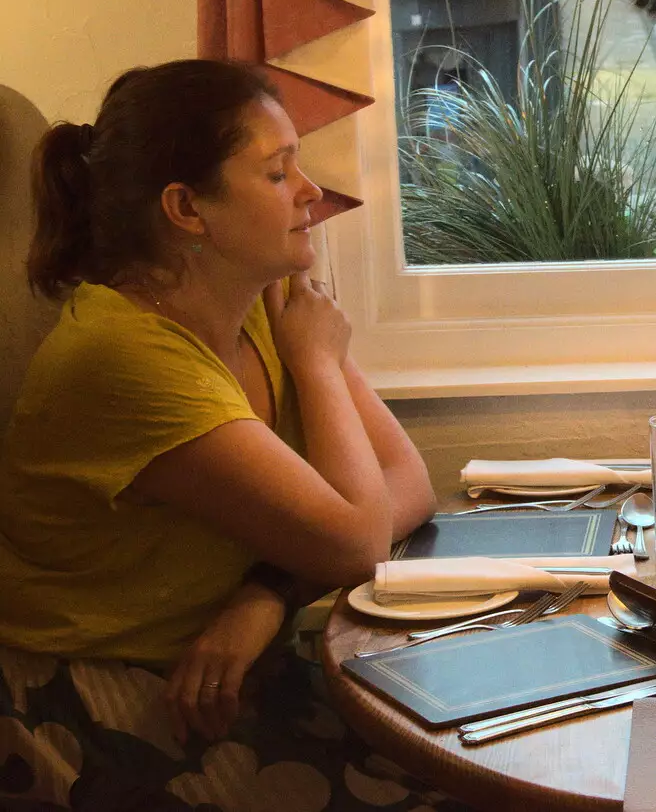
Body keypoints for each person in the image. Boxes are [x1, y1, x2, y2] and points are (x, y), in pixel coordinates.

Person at [0, 61, 462, 811]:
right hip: (95, 690)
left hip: (229, 657)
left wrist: (266, 595)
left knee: (456, 744)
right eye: (278, 174)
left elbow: (405, 482)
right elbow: (359, 541)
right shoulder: (123, 357)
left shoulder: (261, 293)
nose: (310, 192)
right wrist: (316, 362)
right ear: (186, 208)